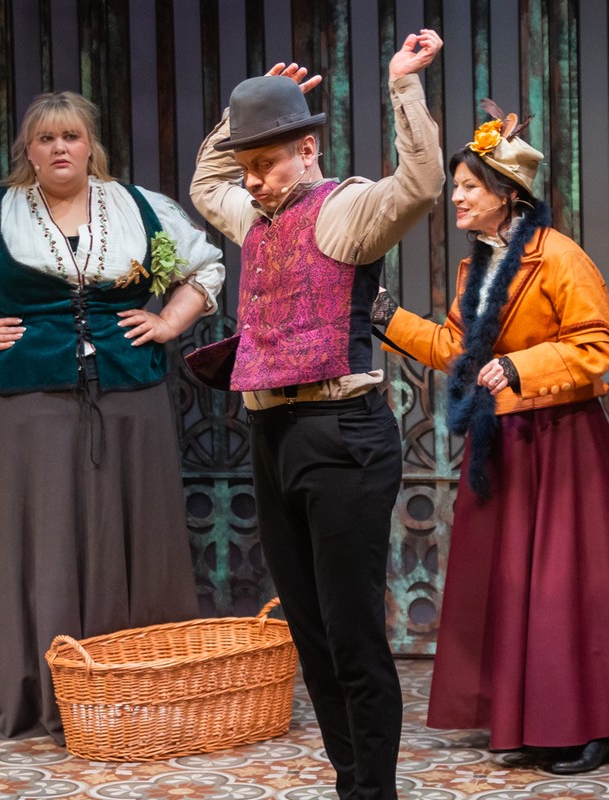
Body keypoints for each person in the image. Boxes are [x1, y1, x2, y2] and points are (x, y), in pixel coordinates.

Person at [0, 91, 225, 743]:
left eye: (70, 136)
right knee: (34, 540)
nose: (59, 148)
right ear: (29, 148)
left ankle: (130, 690)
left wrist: (168, 321)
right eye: (46, 138)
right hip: (21, 409)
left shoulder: (140, 207)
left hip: (127, 403)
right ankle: (32, 691)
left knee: (126, 535)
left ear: (89, 143)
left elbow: (205, 264)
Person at [372, 102, 609, 774]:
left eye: (469, 187)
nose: (457, 198)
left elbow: (595, 348)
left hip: (559, 438)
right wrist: (389, 319)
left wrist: (520, 367)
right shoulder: (479, 268)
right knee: (510, 581)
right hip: (504, 438)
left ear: (506, 193)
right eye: (456, 187)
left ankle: (592, 723)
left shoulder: (559, 257)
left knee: (566, 580)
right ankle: (528, 715)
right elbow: (457, 349)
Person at [190, 31, 445, 800]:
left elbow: (421, 184)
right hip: (271, 434)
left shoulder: (347, 209)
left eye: (267, 162)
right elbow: (207, 184)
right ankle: (350, 785)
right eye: (247, 166)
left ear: (308, 150)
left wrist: (403, 85)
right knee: (310, 634)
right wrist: (242, 118)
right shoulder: (253, 216)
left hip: (342, 436)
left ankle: (375, 791)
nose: (253, 181)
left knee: (351, 634)